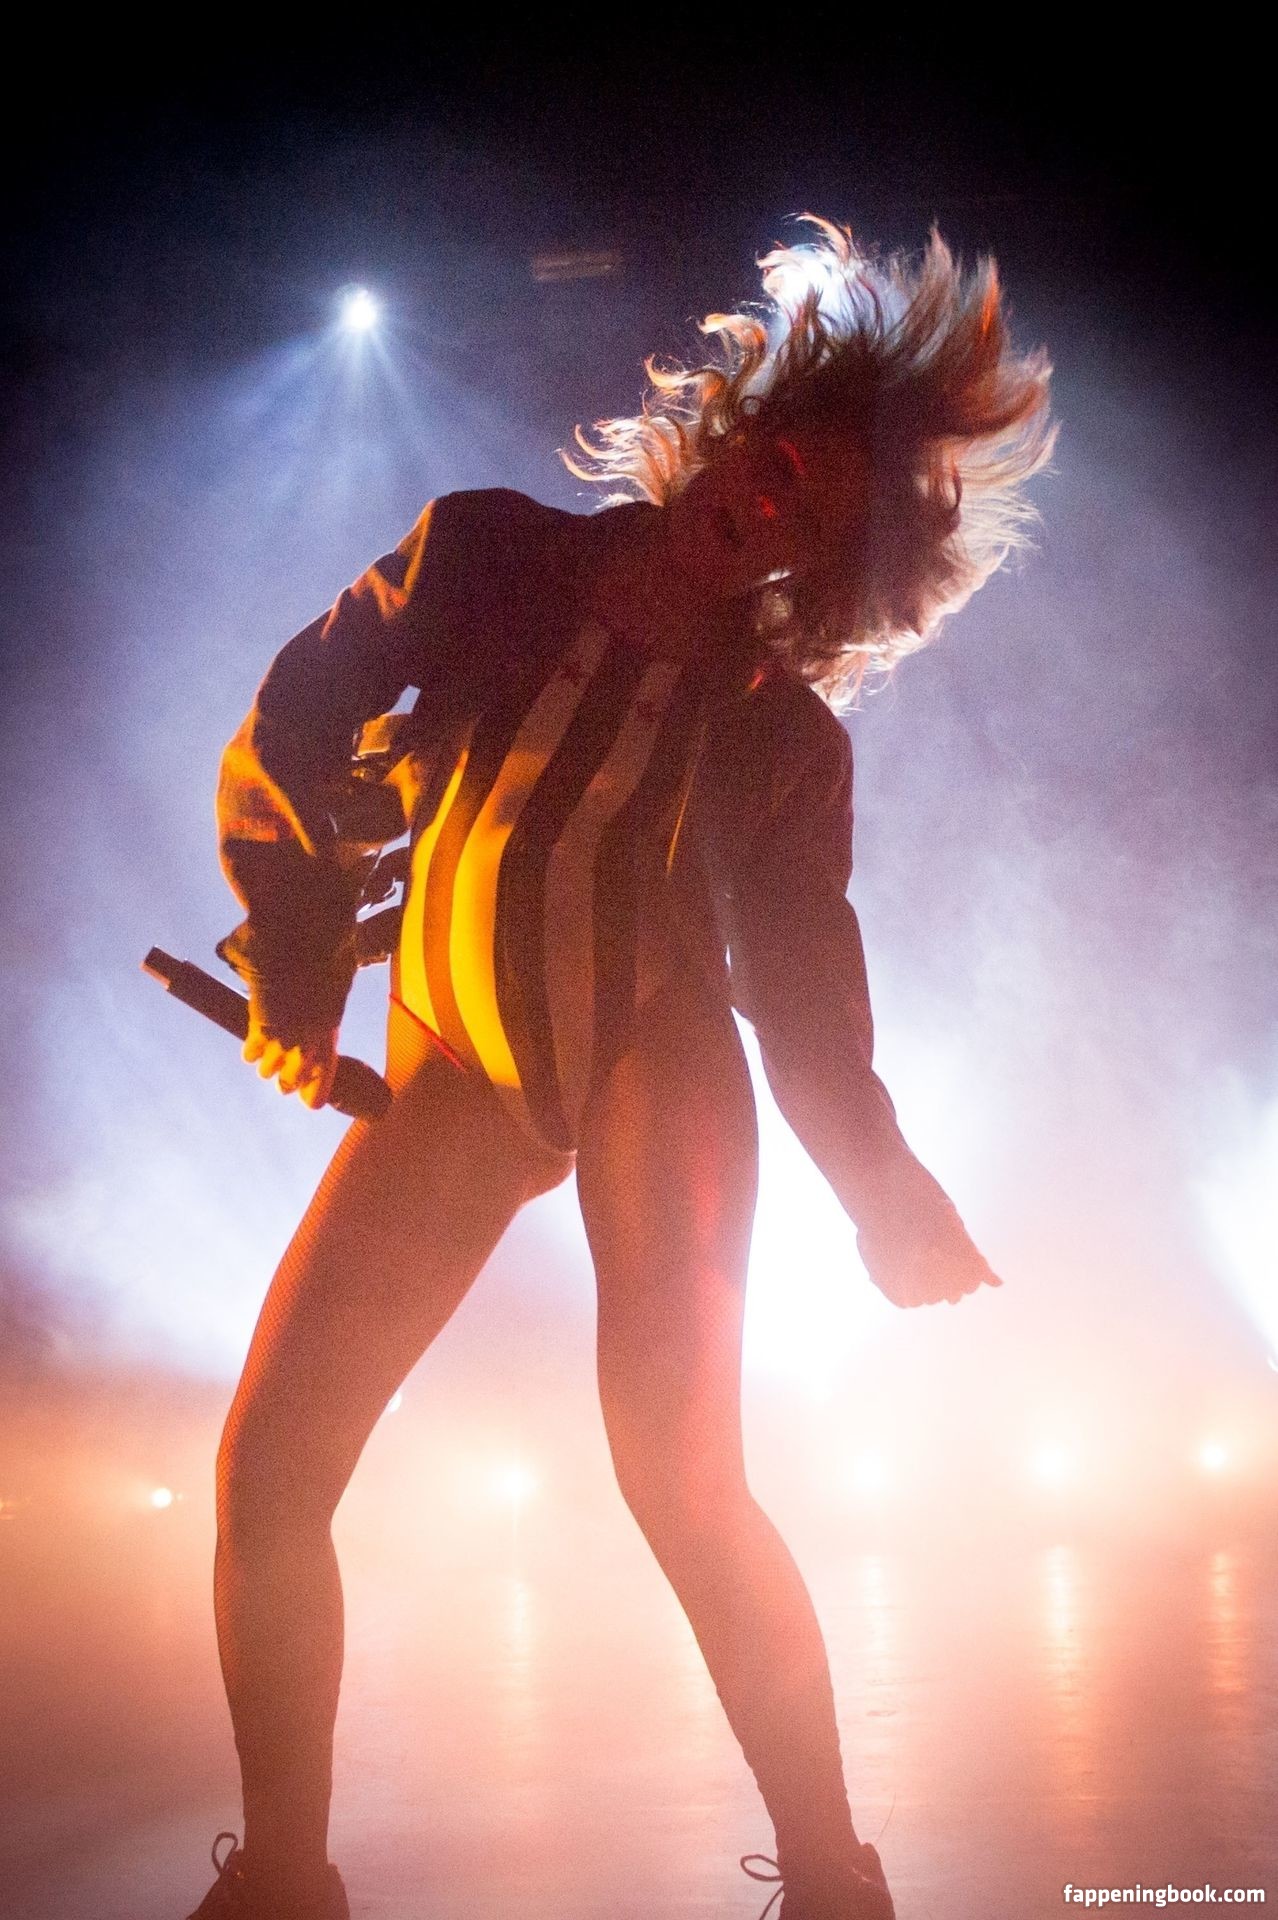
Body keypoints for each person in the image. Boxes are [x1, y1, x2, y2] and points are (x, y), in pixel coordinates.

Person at [192, 218, 1053, 1920]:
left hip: (659, 1071)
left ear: (829, 563)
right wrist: (293, 956)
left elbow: (801, 992)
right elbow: (298, 716)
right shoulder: (483, 551)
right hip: (452, 1066)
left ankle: (834, 1882)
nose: (770, 506)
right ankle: (283, 1880)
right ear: (737, 425)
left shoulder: (781, 737)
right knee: (268, 1475)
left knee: (682, 1484)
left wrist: (883, 1189)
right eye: (779, 463)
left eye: (812, 515)